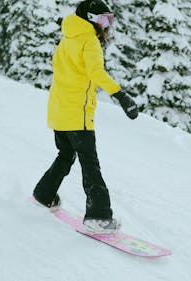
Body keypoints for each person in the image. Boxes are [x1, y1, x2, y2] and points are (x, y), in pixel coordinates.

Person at [33, 0, 138, 235]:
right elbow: (96, 72)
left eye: (110, 20)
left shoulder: (67, 38)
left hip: (59, 111)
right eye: (103, 20)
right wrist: (121, 95)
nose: (107, 25)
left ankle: (44, 194)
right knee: (90, 163)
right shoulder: (89, 40)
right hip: (77, 114)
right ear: (91, 19)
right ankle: (98, 216)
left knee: (65, 155)